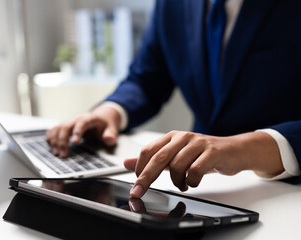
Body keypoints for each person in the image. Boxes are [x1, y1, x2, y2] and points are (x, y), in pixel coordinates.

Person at [47, 0, 301, 199]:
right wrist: (109, 113)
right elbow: (146, 78)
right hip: (198, 189)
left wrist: (241, 148)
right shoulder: (173, 3)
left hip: (286, 193)